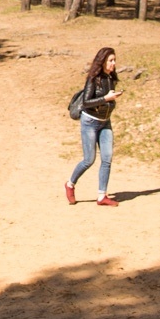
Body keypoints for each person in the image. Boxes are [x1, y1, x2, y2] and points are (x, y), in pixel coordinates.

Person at [65, 45, 122, 207]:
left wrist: (111, 98)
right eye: (110, 60)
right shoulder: (93, 79)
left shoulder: (111, 78)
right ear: (102, 61)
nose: (113, 63)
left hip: (105, 122)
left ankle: (102, 196)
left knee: (107, 158)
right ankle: (70, 184)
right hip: (90, 122)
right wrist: (106, 98)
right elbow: (86, 102)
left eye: (114, 60)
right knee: (89, 160)